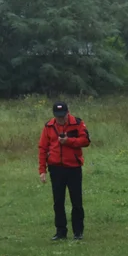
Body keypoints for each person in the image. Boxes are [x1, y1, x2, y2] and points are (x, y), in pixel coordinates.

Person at [38, 101, 91, 241]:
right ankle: (61, 231)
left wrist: (69, 141)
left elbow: (86, 141)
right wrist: (42, 170)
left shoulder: (78, 123)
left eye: (63, 116)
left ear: (68, 112)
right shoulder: (48, 126)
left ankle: (78, 232)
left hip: (73, 167)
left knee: (76, 201)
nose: (61, 119)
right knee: (58, 201)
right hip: (56, 168)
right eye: (58, 116)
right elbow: (43, 148)